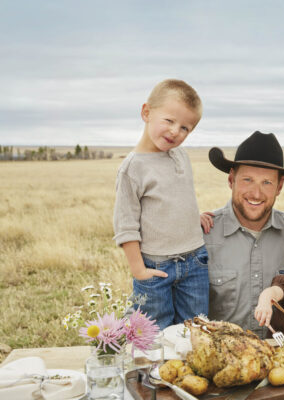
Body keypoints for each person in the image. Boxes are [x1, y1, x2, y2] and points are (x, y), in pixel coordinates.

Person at [113, 79, 210, 330]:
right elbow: (126, 226)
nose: (176, 131)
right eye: (169, 120)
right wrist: (139, 271)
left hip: (195, 261)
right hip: (155, 267)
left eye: (185, 128)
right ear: (146, 112)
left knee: (197, 329)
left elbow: (177, 196)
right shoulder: (132, 168)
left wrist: (193, 217)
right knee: (154, 332)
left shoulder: (181, 156)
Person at [204, 131, 284, 338]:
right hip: (221, 355)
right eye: (247, 180)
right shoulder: (203, 235)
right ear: (231, 179)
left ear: (280, 186)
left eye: (267, 182)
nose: (256, 193)